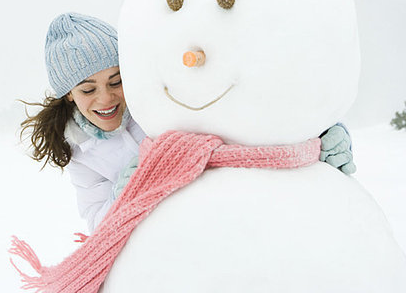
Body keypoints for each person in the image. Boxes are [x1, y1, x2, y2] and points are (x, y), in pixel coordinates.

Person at [20, 12, 355, 233]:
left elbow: (237, 120)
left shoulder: (160, 103)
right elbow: (97, 221)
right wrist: (124, 192)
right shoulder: (82, 152)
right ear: (69, 96)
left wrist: (318, 130)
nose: (105, 99)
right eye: (88, 89)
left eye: (116, 81)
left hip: (230, 212)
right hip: (169, 240)